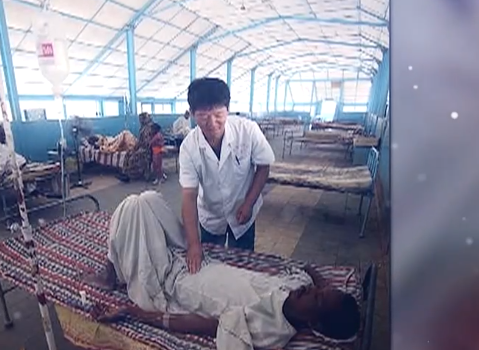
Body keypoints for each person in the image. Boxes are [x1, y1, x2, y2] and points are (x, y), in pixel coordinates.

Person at [83, 191, 360, 349]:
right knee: (148, 198)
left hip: (169, 280)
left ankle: (111, 274)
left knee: (131, 207)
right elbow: (309, 269)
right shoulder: (297, 288)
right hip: (195, 259)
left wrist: (132, 312)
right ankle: (114, 267)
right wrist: (326, 288)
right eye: (319, 290)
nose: (311, 290)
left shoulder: (269, 327)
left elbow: (203, 325)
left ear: (314, 324)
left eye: (318, 298)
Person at [178, 78, 274, 265]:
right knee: (211, 264)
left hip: (243, 211)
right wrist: (193, 244)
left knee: (244, 262)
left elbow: (263, 166)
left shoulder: (247, 131)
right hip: (211, 216)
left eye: (218, 114)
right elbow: (189, 196)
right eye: (203, 115)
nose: (212, 123)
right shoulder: (189, 147)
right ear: (192, 114)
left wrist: (249, 203)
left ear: (227, 109)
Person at [123, 112, 155, 181]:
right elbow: (140, 141)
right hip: (142, 147)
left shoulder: (149, 128)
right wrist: (135, 147)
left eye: (140, 119)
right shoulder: (143, 127)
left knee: (133, 157)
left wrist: (137, 148)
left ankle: (131, 175)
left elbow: (147, 142)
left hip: (148, 150)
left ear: (144, 119)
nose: (139, 121)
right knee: (127, 154)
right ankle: (125, 174)